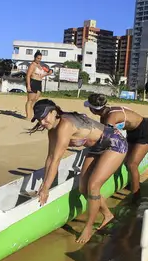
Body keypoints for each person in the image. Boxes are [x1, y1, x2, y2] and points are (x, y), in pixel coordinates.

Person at [29, 99, 128, 243]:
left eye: (44, 117)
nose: (43, 122)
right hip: (96, 147)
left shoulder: (65, 126)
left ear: (54, 112)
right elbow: (50, 158)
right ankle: (108, 215)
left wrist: (46, 189)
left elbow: (57, 159)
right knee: (83, 188)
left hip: (114, 142)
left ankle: (88, 227)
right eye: (39, 120)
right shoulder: (51, 131)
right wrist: (44, 184)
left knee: (93, 186)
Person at [84, 93, 148, 202]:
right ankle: (132, 184)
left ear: (93, 110)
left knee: (132, 164)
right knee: (127, 161)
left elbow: (105, 140)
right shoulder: (105, 116)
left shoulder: (111, 117)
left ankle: (136, 196)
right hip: (132, 132)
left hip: (145, 132)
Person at [25, 51, 52, 120]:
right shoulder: (32, 65)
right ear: (35, 57)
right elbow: (28, 76)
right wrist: (28, 86)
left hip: (39, 83)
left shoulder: (40, 66)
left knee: (35, 100)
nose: (39, 60)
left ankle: (31, 114)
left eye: (40, 58)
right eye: (38, 58)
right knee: (30, 100)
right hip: (33, 82)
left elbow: (41, 75)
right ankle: (28, 116)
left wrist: (48, 73)